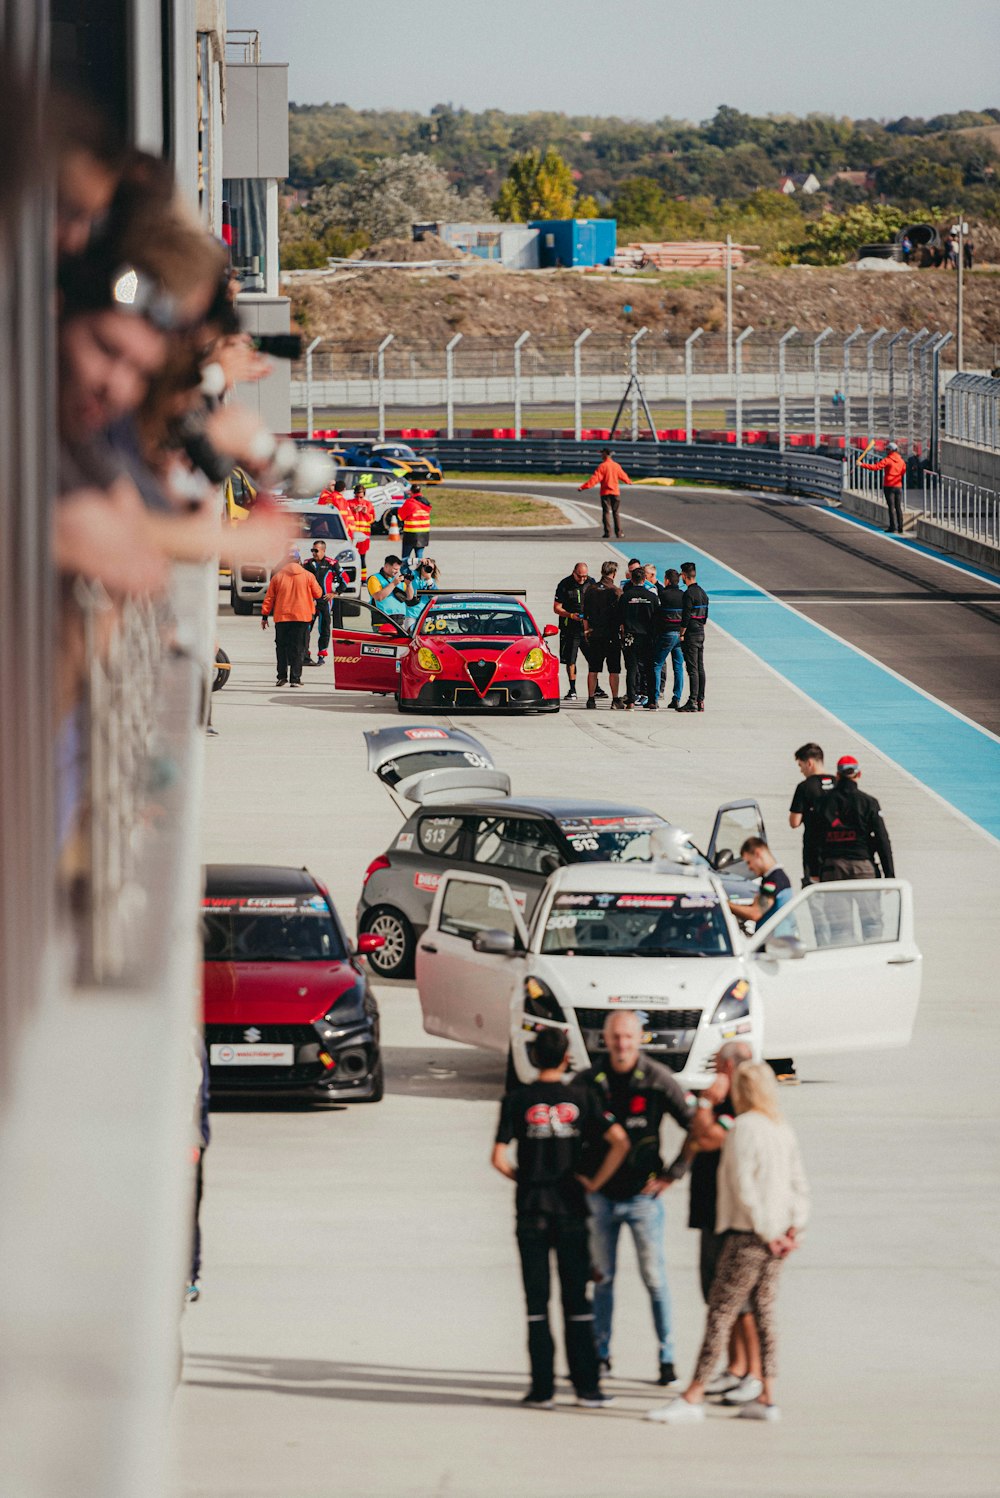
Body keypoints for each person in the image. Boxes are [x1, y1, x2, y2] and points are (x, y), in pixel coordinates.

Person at [648, 1061, 809, 1424]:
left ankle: (693, 1395)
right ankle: (767, 1396)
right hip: (779, 1238)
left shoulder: (744, 1128)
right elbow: (799, 1183)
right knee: (765, 1314)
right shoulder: (780, 1127)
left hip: (747, 1237)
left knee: (721, 1313)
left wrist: (766, 1234)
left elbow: (743, 1188)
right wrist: (792, 1229)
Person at [492, 1027, 628, 1410]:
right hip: (571, 1208)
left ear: (535, 1058)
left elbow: (498, 1158)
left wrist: (526, 1178)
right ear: (567, 1057)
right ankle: (587, 1387)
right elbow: (619, 1141)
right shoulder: (583, 1097)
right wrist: (593, 1183)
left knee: (537, 1302)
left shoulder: (516, 1100)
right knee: (577, 1301)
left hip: (532, 1209)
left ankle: (542, 1389)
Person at [580, 1012, 694, 1386]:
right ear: (605, 1039)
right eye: (615, 1037)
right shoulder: (589, 1082)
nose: (622, 1044)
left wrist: (673, 1174)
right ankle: (601, 1355)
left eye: (628, 1037)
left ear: (640, 1038)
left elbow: (697, 1128)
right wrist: (580, 1179)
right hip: (601, 1200)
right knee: (603, 1279)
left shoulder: (659, 1080)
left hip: (644, 1199)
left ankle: (667, 1358)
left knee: (655, 1278)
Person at [678, 1040, 762, 1406]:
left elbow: (706, 1138)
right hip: (710, 1209)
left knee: (738, 1298)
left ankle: (753, 1373)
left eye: (717, 1065)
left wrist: (705, 1103)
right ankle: (735, 1366)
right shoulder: (729, 1101)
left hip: (729, 1214)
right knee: (716, 1295)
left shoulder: (736, 1104)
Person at [807, 754, 895, 884]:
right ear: (858, 775)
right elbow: (882, 838)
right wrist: (889, 874)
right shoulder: (869, 802)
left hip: (832, 867)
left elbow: (812, 838)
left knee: (835, 905)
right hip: (862, 865)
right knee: (868, 905)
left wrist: (814, 871)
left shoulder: (822, 803)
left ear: (837, 775)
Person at [261, 552, 322, 687]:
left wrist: (265, 616)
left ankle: (281, 677)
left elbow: (269, 598)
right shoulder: (308, 576)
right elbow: (318, 593)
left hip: (282, 617)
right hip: (302, 617)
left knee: (281, 648)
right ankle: (295, 679)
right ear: (299, 561)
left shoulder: (278, 577)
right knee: (298, 648)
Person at [788, 742, 836, 886]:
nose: (801, 771)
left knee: (815, 892)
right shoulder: (838, 782)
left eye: (800, 765)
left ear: (809, 763)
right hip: (837, 848)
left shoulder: (804, 787)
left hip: (814, 848)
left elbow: (794, 822)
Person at [582, 560, 623, 709]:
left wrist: (586, 631)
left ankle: (591, 699)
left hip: (595, 634)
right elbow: (621, 615)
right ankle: (615, 699)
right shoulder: (616, 591)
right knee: (614, 670)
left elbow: (585, 614)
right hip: (611, 635)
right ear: (614, 573)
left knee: (593, 669)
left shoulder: (590, 589)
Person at [728, 838, 793, 930]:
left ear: (757, 853)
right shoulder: (774, 877)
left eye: (749, 862)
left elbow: (755, 913)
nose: (749, 868)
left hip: (776, 941)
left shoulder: (773, 880)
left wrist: (724, 904)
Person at [619, 562, 657, 708]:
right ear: (644, 580)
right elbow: (657, 617)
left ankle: (631, 701)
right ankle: (652, 700)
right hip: (647, 636)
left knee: (632, 669)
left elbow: (619, 617)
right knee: (649, 668)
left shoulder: (625, 596)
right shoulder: (651, 596)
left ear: (632, 580)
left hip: (630, 636)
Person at [302, 539, 345, 667]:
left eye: (316, 550)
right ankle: (305, 654)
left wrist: (335, 593)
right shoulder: (307, 563)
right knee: (305, 628)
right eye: (312, 550)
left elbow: (345, 579)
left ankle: (322, 654)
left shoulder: (332, 563)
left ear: (323, 551)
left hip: (325, 601)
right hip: (309, 602)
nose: (314, 553)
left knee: (324, 628)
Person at [553, 562, 590, 701]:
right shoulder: (564, 585)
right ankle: (572, 688)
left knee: (593, 658)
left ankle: (596, 687)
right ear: (574, 573)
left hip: (587, 628)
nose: (582, 580)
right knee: (570, 660)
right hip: (570, 629)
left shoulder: (590, 583)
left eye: (584, 577)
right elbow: (556, 608)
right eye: (579, 576)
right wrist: (570, 615)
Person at [578, 447, 632, 539]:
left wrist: (583, 487)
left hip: (605, 493)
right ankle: (619, 533)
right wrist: (629, 481)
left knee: (606, 512)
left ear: (605, 454)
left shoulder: (602, 466)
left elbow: (594, 480)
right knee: (616, 513)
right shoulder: (616, 465)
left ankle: (607, 533)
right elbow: (623, 476)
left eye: (602, 454)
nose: (601, 455)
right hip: (615, 492)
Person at [651, 566, 685, 710]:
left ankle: (654, 698)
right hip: (680, 635)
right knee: (678, 667)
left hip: (666, 634)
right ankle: (677, 698)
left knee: (657, 664)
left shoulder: (663, 595)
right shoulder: (684, 595)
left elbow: (657, 614)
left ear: (667, 580)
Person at [678, 561, 709, 712]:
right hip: (700, 632)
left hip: (690, 633)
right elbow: (705, 617)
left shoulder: (688, 594)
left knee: (692, 668)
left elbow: (685, 617)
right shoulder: (703, 593)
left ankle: (692, 700)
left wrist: (681, 633)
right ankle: (700, 699)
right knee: (700, 667)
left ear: (684, 575)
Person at [858, 441, 907, 534]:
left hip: (889, 485)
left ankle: (893, 526)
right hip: (898, 485)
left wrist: (862, 465)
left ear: (891, 450)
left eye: (887, 449)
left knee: (891, 507)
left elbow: (875, 467)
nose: (886, 451)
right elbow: (903, 471)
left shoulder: (887, 460)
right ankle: (900, 527)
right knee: (898, 507)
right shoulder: (901, 461)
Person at [366, 554, 415, 620]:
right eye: (395, 569)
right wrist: (393, 584)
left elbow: (409, 597)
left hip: (399, 619)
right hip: (382, 619)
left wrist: (408, 585)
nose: (397, 571)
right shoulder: (374, 578)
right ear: (386, 566)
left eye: (398, 569)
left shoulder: (398, 579)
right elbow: (378, 597)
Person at [399, 483, 431, 566]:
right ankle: (419, 576)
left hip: (411, 533)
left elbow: (400, 516)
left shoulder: (410, 502)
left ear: (411, 492)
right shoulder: (426, 502)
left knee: (405, 559)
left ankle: (407, 576)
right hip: (424, 534)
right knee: (420, 558)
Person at [349, 481, 375, 583]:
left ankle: (363, 579)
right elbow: (346, 517)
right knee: (351, 557)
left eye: (361, 497)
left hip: (364, 536)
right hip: (353, 535)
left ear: (364, 495)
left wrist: (366, 513)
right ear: (354, 494)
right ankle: (351, 578)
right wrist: (354, 511)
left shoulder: (368, 504)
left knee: (362, 557)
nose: (359, 499)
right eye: (357, 497)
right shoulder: (350, 503)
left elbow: (372, 519)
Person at [407, 556, 440, 624]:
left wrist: (429, 580)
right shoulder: (412, 574)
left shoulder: (432, 582)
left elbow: (435, 596)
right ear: (422, 566)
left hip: (426, 615)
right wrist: (418, 560)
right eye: (427, 566)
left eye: (431, 569)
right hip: (412, 614)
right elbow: (402, 564)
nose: (428, 570)